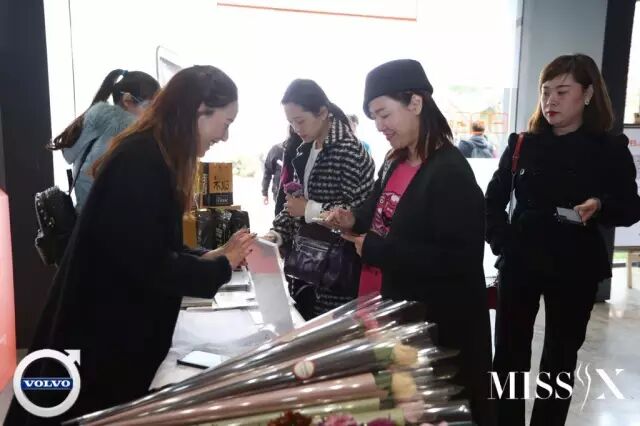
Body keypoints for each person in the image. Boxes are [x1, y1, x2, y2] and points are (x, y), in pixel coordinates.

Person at [6, 66, 255, 425]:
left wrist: (210, 257)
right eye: (225, 122)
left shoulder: (152, 154)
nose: (225, 136)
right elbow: (150, 265)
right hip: (100, 340)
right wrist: (218, 266)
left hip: (106, 333)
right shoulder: (142, 160)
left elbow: (150, 243)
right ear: (199, 110)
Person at [325, 59, 495, 426]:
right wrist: (352, 218)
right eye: (374, 117)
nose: (380, 126)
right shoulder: (396, 160)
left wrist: (377, 250)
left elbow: (458, 260)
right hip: (393, 310)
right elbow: (377, 208)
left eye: (384, 114)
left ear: (415, 103)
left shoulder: (449, 172)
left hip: (437, 326)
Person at [485, 54, 640, 426]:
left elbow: (631, 207)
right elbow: (492, 199)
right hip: (520, 261)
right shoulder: (523, 143)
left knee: (559, 359)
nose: (550, 100)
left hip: (575, 266)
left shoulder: (609, 149)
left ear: (587, 94)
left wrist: (600, 205)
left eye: (562, 91)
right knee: (508, 356)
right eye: (545, 91)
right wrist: (501, 240)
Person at [265, 79, 375, 319]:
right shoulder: (305, 148)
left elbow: (357, 212)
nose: (296, 128)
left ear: (323, 112)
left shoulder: (350, 150)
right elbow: (294, 204)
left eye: (300, 120)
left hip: (336, 271)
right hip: (305, 265)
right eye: (291, 122)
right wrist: (276, 235)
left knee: (330, 332)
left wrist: (309, 209)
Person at [48, 69, 160, 211]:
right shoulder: (126, 135)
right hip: (109, 220)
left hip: (84, 216)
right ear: (127, 100)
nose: (153, 116)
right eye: (150, 108)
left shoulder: (93, 124)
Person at [261, 141, 285, 205]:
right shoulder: (276, 149)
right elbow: (267, 172)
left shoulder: (303, 146)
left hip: (298, 194)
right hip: (279, 191)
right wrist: (264, 193)